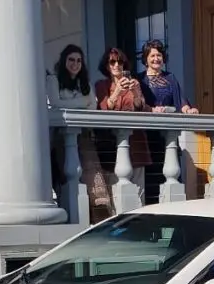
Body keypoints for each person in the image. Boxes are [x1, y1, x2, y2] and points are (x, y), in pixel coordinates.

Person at [48, 44, 112, 222]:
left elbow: (92, 106)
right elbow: (55, 103)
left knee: (93, 175)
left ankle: (99, 217)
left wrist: (77, 102)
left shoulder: (84, 83)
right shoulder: (53, 80)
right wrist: (81, 101)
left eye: (78, 60)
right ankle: (72, 217)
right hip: (62, 137)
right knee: (68, 175)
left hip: (84, 136)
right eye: (71, 60)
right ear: (64, 61)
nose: (75, 64)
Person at [136, 39, 198, 204]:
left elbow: (181, 101)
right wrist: (151, 109)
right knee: (150, 176)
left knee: (169, 172)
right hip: (147, 135)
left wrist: (188, 110)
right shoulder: (139, 80)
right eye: (152, 55)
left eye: (159, 55)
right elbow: (137, 103)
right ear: (146, 58)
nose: (156, 58)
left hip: (167, 135)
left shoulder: (170, 78)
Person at [94, 47, 151, 201]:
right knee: (115, 192)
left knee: (139, 193)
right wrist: (118, 90)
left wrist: (136, 93)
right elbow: (103, 107)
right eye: (112, 62)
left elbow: (141, 107)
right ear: (107, 65)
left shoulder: (135, 83)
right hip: (112, 144)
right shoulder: (101, 85)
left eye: (120, 62)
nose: (116, 65)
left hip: (136, 141)